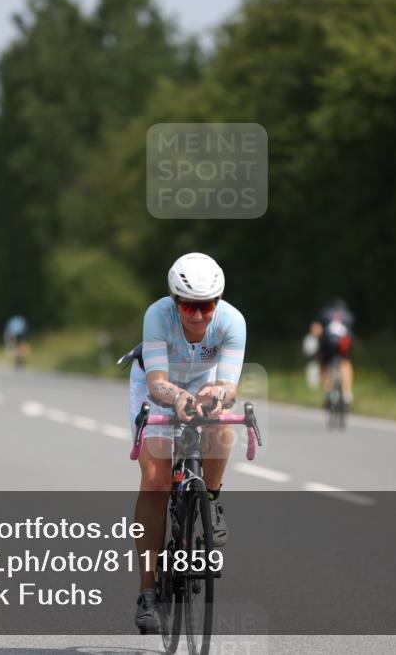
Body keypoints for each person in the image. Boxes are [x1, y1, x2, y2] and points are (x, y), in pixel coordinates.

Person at [130, 253, 246, 633]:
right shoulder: (158, 316)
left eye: (206, 306)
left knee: (222, 428)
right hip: (156, 384)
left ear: (218, 302)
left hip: (204, 380)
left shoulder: (232, 322)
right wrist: (177, 398)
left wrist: (215, 394)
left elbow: (229, 385)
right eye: (188, 306)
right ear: (174, 301)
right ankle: (148, 593)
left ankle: (210, 499)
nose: (197, 315)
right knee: (156, 479)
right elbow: (157, 381)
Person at [310, 299, 355, 408]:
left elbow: (316, 330)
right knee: (345, 363)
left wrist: (316, 343)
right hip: (344, 342)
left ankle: (329, 392)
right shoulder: (348, 315)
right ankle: (347, 393)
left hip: (328, 342)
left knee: (324, 362)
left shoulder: (324, 313)